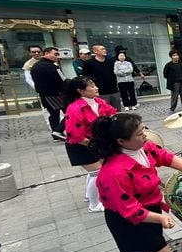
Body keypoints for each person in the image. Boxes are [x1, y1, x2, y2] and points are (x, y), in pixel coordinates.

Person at [91, 113, 182, 252]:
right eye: (139, 133)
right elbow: (130, 210)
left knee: (142, 250)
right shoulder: (114, 172)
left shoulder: (142, 148)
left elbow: (163, 155)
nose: (145, 135)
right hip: (127, 219)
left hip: (149, 208)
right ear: (121, 141)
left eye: (144, 129)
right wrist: (161, 218)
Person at [63, 77, 117, 212]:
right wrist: (95, 144)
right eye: (92, 86)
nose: (96, 88)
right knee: (98, 172)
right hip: (80, 145)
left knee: (96, 171)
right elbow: (74, 135)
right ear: (81, 91)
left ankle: (89, 195)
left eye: (95, 85)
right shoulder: (74, 108)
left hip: (94, 142)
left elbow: (112, 113)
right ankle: (94, 204)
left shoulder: (99, 102)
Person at [30, 47, 67, 136]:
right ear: (46, 53)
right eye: (55, 54)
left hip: (45, 94)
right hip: (55, 94)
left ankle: (56, 132)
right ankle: (58, 131)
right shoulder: (51, 66)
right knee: (70, 112)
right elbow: (61, 80)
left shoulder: (36, 65)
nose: (57, 56)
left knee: (54, 114)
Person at [81, 45, 121, 111]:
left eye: (104, 49)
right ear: (95, 51)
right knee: (103, 112)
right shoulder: (88, 63)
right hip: (100, 92)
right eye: (102, 49)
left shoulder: (111, 61)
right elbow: (86, 78)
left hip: (114, 90)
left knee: (116, 111)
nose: (104, 50)